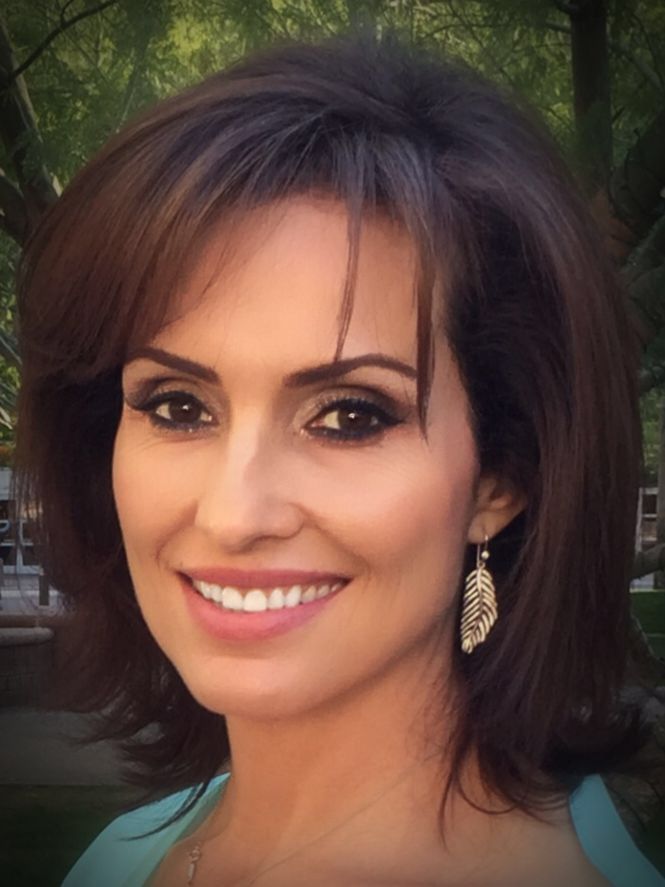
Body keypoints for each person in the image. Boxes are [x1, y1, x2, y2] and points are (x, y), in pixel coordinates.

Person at [14, 32, 663, 887]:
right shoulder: (122, 857)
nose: (233, 514)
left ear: (502, 476)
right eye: (177, 406)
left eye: (349, 416)